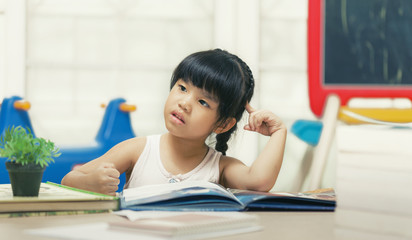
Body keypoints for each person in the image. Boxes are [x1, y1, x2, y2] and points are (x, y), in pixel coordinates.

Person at [61, 49, 287, 196]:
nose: (185, 103)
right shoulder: (138, 150)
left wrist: (278, 132)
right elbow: (68, 180)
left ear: (223, 125)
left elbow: (258, 183)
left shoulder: (220, 166)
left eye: (202, 102)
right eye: (182, 88)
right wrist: (91, 182)